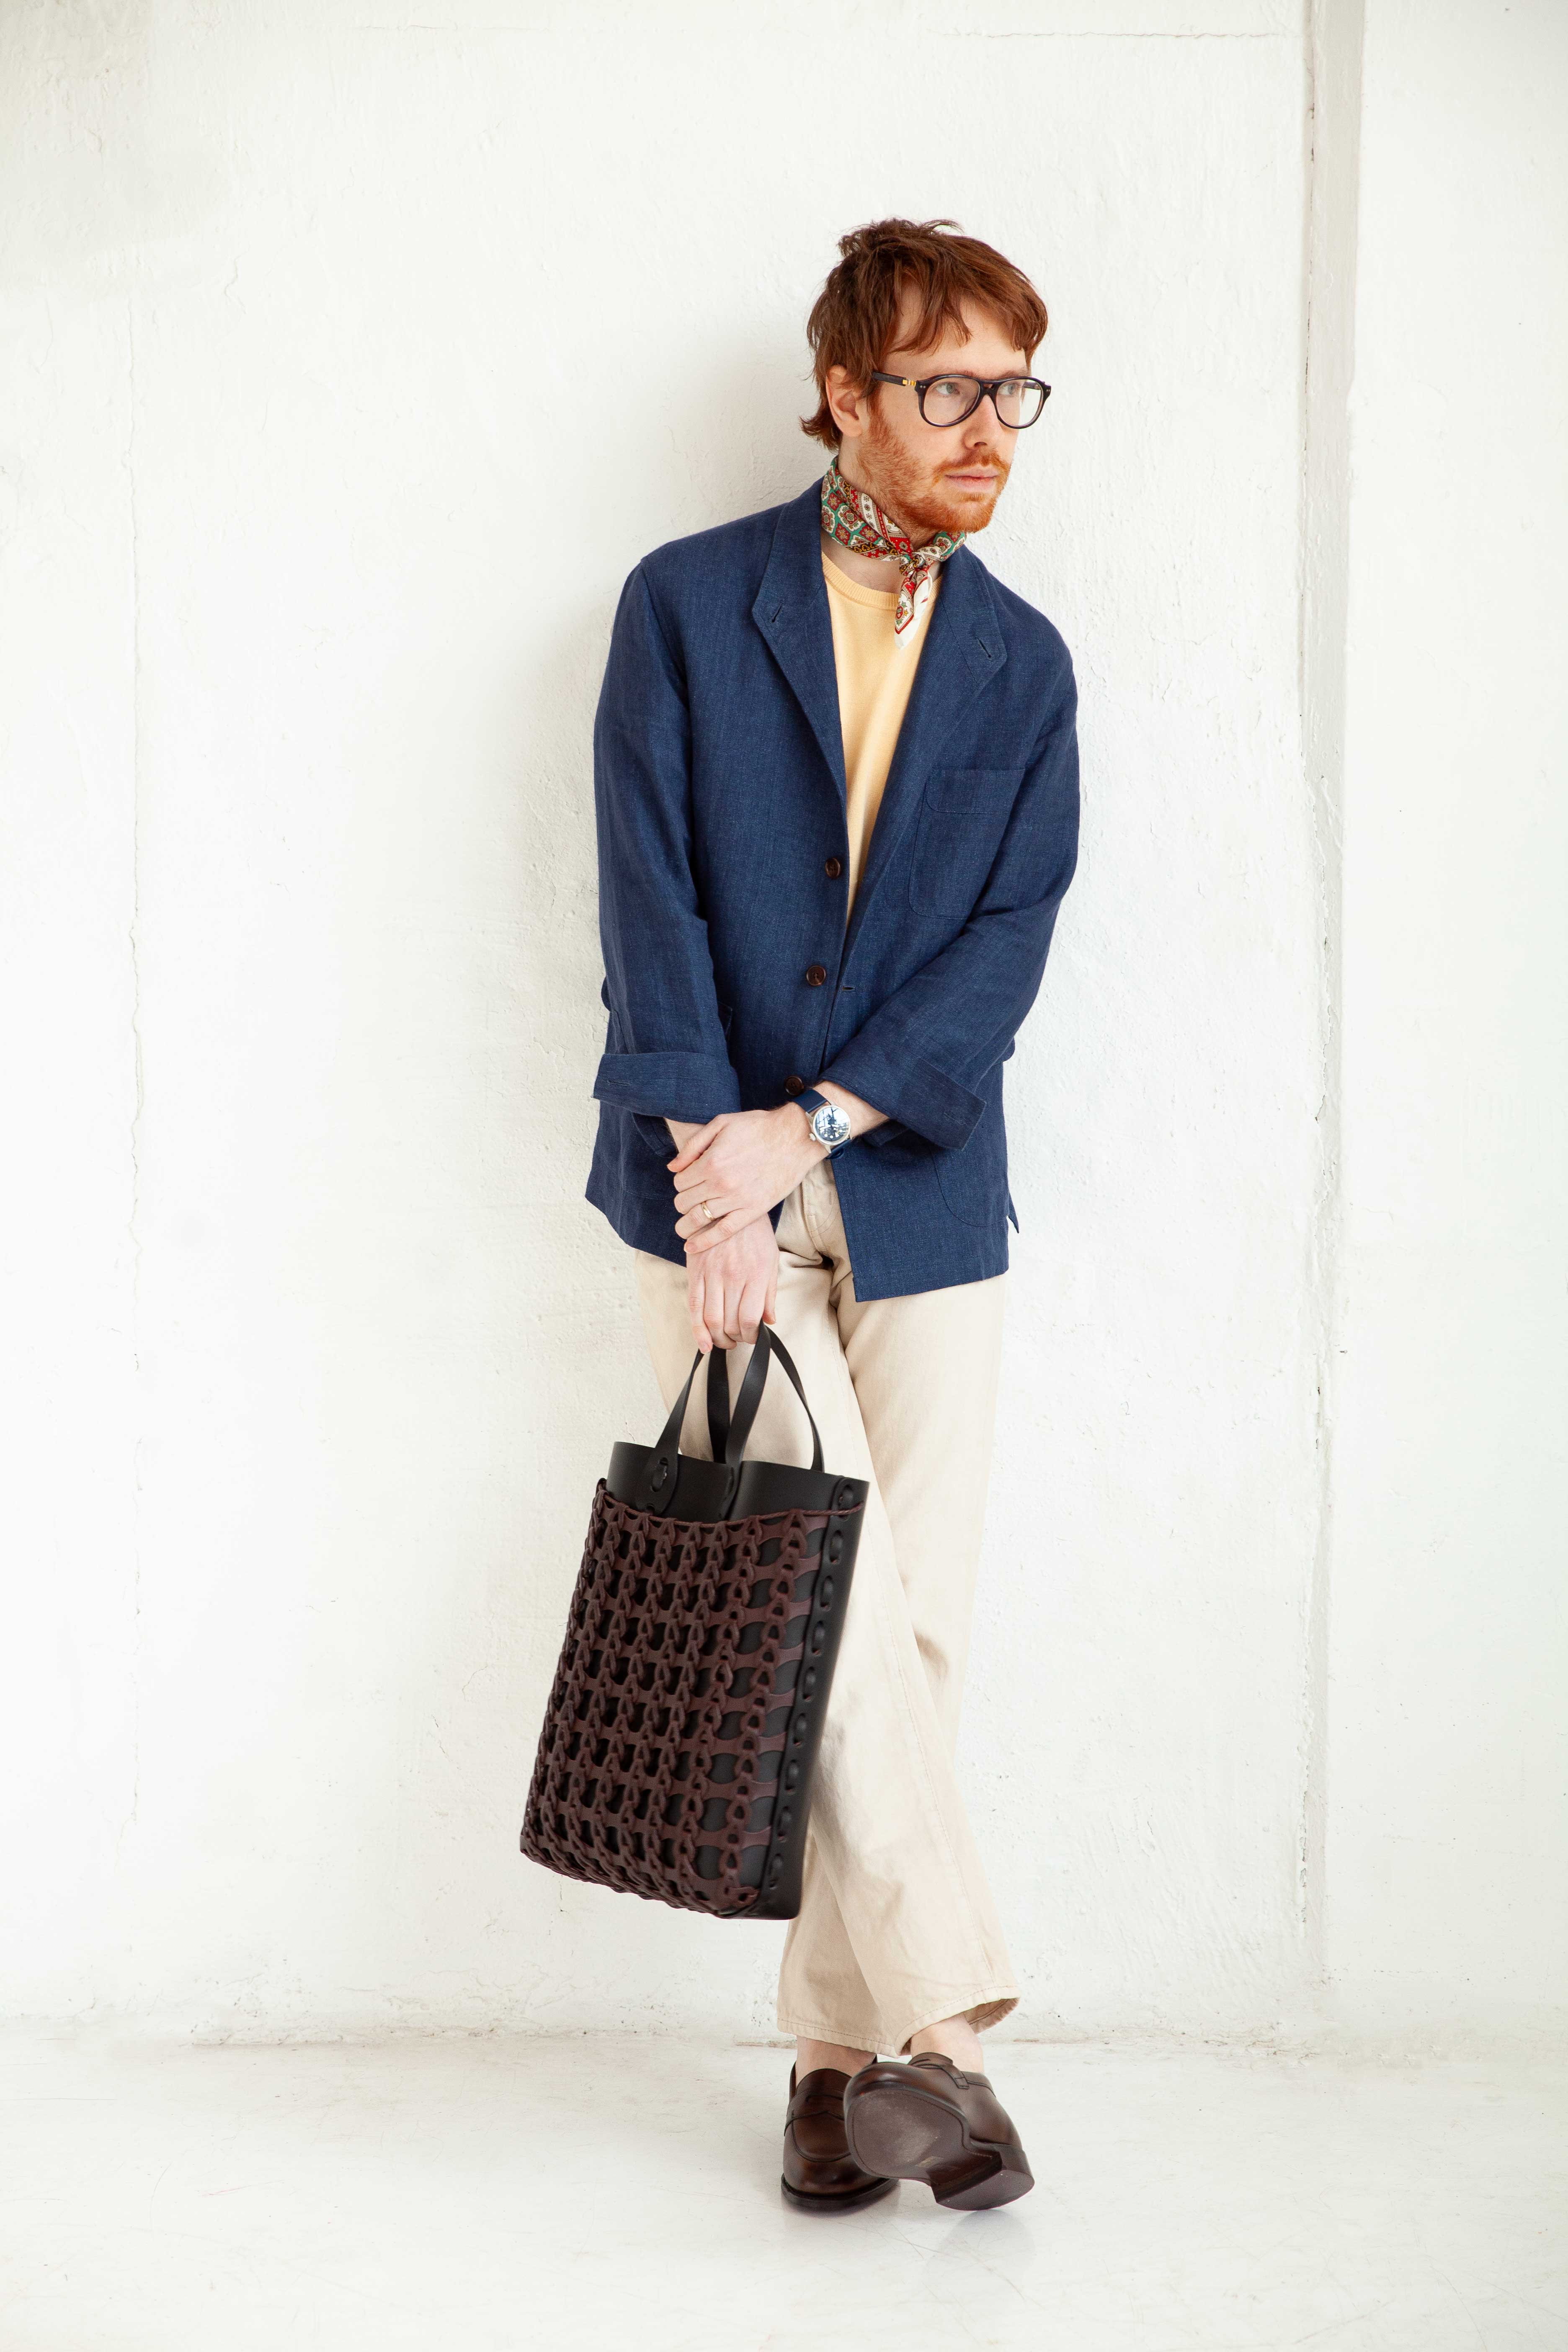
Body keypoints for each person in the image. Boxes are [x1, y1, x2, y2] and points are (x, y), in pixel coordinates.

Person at [585, 217, 1079, 2212]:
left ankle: (827, 2077)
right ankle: (951, 2042)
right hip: (705, 1183)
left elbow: (1002, 945)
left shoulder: (1025, 662)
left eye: (1015, 390)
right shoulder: (689, 605)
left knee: (908, 1629)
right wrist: (720, 1176)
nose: (989, 428)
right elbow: (651, 900)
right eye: (948, 387)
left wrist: (819, 1124)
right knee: (837, 1604)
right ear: (847, 395)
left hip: (920, 1189)